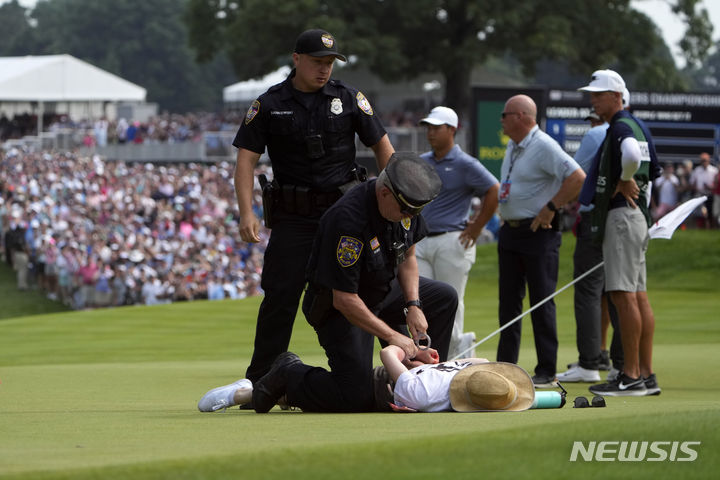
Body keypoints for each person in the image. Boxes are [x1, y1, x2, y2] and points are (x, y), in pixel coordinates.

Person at [199, 153, 457, 413]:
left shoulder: (405, 207)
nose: (409, 216)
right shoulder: (348, 220)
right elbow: (344, 299)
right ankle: (288, 373)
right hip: (338, 307)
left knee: (444, 297)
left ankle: (426, 383)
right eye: (405, 211)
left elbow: (407, 255)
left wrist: (413, 304)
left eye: (415, 212)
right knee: (354, 395)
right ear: (385, 193)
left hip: (381, 287)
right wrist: (393, 337)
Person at [230, 29, 395, 390]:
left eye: (330, 64)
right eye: (318, 63)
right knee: (280, 296)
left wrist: (392, 201)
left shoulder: (349, 98)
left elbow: (384, 148)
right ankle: (261, 380)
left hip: (346, 215)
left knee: (372, 288)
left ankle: (398, 368)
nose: (325, 70)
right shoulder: (269, 104)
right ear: (297, 59)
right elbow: (246, 161)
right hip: (295, 218)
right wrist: (246, 212)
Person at [578, 69, 661, 396]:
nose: (593, 100)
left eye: (598, 95)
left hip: (622, 218)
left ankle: (630, 376)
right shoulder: (636, 125)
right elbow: (652, 169)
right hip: (635, 217)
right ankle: (645, 373)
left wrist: (626, 177)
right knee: (638, 296)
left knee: (623, 295)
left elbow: (630, 156)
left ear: (617, 96)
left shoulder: (620, 127)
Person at [495, 95, 586, 388]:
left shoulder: (543, 145)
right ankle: (505, 366)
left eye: (505, 114)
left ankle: (546, 370)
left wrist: (552, 206)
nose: (501, 120)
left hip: (538, 234)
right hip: (510, 232)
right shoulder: (513, 145)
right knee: (508, 303)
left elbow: (577, 177)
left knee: (541, 301)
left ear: (521, 116)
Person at [415, 106, 499, 359]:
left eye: (436, 127)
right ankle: (435, 356)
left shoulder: (465, 164)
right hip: (420, 241)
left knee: (451, 302)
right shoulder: (422, 161)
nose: (430, 132)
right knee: (420, 302)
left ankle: (453, 357)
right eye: (428, 127)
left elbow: (493, 190)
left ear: (452, 130)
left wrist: (477, 226)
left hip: (453, 240)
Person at [557, 110, 614, 383]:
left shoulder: (596, 134)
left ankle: (589, 362)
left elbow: (573, 174)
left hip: (594, 219)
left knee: (588, 291)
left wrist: (553, 203)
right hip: (619, 220)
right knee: (615, 291)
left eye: (594, 118)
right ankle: (614, 359)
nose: (591, 124)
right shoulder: (631, 132)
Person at [377, 344, 534, 412]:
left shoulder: (422, 394)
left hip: (375, 384)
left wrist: (416, 351)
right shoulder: (481, 366)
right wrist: (420, 363)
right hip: (404, 377)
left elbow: (387, 353)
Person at [689, 152, 718, 229]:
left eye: (705, 160)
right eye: (702, 160)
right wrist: (696, 188)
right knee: (702, 213)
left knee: (711, 213)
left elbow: (716, 184)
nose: (704, 162)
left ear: (708, 160)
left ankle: (711, 228)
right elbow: (692, 183)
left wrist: (710, 187)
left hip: (711, 194)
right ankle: (703, 228)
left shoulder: (714, 170)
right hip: (700, 194)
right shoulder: (697, 170)